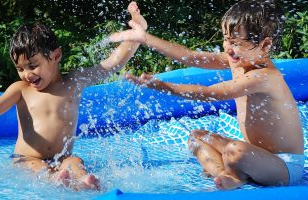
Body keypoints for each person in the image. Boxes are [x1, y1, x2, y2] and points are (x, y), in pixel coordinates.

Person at [109, 0, 304, 190]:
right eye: (226, 39)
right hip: (256, 156)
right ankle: (224, 175)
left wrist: (164, 86)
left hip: (283, 167)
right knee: (197, 138)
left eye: (235, 42)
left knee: (235, 151)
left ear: (265, 45)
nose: (228, 48)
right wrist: (144, 38)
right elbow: (191, 56)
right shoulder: (238, 60)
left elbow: (212, 93)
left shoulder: (263, 77)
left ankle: (236, 175)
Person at [0, 1, 147, 191]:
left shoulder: (74, 83)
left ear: (56, 56)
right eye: (20, 69)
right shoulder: (20, 89)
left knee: (75, 162)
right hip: (26, 159)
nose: (26, 74)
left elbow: (113, 62)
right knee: (37, 167)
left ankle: (85, 181)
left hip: (60, 159)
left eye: (32, 65)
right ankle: (56, 180)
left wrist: (138, 30)